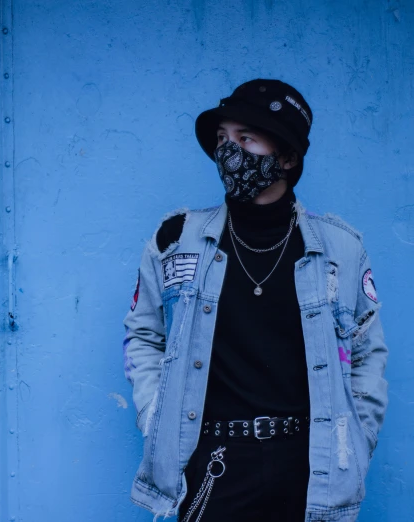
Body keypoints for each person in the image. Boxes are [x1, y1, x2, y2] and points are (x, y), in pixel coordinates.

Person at [122, 79, 388, 522]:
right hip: (214, 463)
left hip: (311, 468)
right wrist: (156, 416)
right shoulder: (177, 240)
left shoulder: (341, 249)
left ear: (286, 156)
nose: (230, 151)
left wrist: (354, 441)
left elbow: (366, 355)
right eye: (223, 138)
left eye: (246, 138)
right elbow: (145, 335)